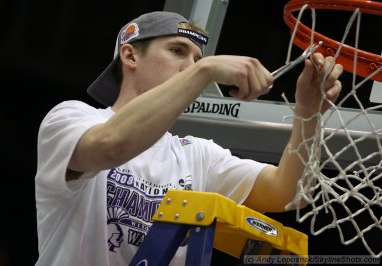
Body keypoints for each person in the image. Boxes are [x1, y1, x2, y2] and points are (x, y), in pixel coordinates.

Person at [34, 11, 343, 265]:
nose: (191, 65)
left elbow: (289, 192)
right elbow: (109, 146)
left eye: (197, 58)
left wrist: (308, 114)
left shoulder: (196, 155)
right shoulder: (72, 119)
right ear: (130, 55)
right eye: (177, 51)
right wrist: (204, 70)